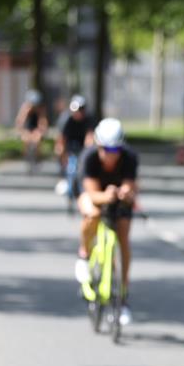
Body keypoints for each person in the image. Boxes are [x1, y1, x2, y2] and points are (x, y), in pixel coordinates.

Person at [74, 118, 138, 327]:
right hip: (95, 195)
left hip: (117, 197)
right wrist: (108, 195)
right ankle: (84, 254)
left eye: (116, 149)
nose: (111, 154)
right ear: (98, 145)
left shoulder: (129, 157)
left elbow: (131, 186)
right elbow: (91, 193)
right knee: (91, 214)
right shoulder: (89, 157)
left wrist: (127, 192)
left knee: (123, 236)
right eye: (106, 149)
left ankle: (123, 293)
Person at [54, 94, 94, 188]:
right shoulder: (66, 119)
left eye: (81, 109)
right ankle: (63, 175)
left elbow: (90, 135)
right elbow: (61, 137)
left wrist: (87, 150)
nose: (78, 112)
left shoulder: (89, 119)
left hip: (82, 142)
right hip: (69, 142)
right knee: (59, 151)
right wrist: (62, 152)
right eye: (76, 110)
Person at [15, 89, 48, 164]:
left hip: (36, 128)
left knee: (37, 139)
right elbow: (20, 120)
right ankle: (26, 156)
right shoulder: (25, 107)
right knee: (26, 140)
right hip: (27, 128)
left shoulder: (40, 108)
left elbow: (42, 120)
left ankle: (38, 156)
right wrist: (20, 130)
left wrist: (42, 130)